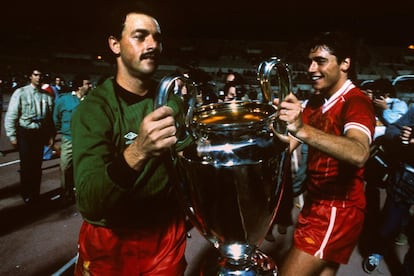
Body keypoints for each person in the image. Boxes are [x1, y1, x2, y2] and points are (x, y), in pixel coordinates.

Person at [71, 2, 192, 275]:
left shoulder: (171, 102)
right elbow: (89, 201)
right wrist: (138, 150)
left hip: (164, 238)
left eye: (157, 38)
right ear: (115, 45)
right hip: (112, 240)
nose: (152, 45)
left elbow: (186, 160)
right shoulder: (94, 110)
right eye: (140, 36)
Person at [276, 31, 376, 275]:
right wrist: (277, 124)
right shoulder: (316, 101)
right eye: (310, 61)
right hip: (315, 203)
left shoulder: (356, 102)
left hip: (336, 210)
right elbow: (289, 143)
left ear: (345, 63)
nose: (311, 69)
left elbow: (359, 152)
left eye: (320, 61)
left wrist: (302, 128)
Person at [362, 106, 414, 274]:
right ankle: (377, 252)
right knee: (388, 224)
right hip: (405, 180)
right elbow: (391, 130)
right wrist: (401, 136)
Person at [4, 68, 55, 204]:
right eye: (36, 75)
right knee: (27, 165)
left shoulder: (47, 96)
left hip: (39, 132)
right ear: (30, 76)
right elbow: (12, 115)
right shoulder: (21, 93)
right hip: (25, 132)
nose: (39, 78)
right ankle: (26, 194)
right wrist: (12, 135)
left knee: (37, 166)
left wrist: (50, 135)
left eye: (41, 75)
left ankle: (35, 193)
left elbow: (49, 119)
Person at [53, 74, 92, 203]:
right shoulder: (64, 100)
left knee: (84, 167)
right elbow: (56, 118)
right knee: (65, 166)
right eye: (87, 83)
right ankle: (66, 192)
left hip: (85, 139)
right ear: (80, 86)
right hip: (69, 138)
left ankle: (81, 193)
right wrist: (64, 131)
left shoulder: (91, 100)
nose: (90, 86)